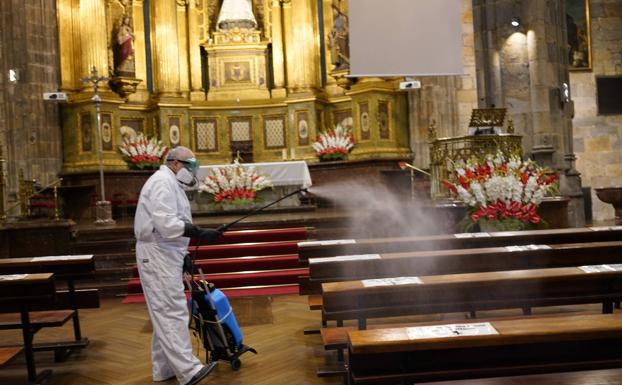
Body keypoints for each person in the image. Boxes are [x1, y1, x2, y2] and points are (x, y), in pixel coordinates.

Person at [134, 146, 223, 385]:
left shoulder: (171, 183)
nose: (193, 171)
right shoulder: (163, 182)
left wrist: (184, 254)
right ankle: (188, 370)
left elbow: (174, 221)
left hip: (167, 252)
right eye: (190, 166)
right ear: (174, 163)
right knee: (170, 310)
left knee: (164, 312)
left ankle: (163, 369)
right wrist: (199, 232)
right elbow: (166, 223)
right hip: (157, 253)